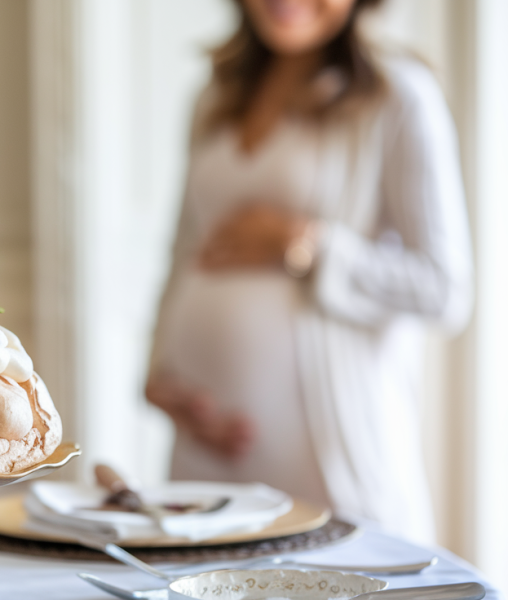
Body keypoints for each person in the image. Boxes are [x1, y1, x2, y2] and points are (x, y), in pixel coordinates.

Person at [145, 0, 472, 544]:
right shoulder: (217, 94)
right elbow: (183, 252)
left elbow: (445, 288)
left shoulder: (399, 96)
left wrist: (306, 245)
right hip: (207, 451)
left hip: (326, 458)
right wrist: (159, 373)